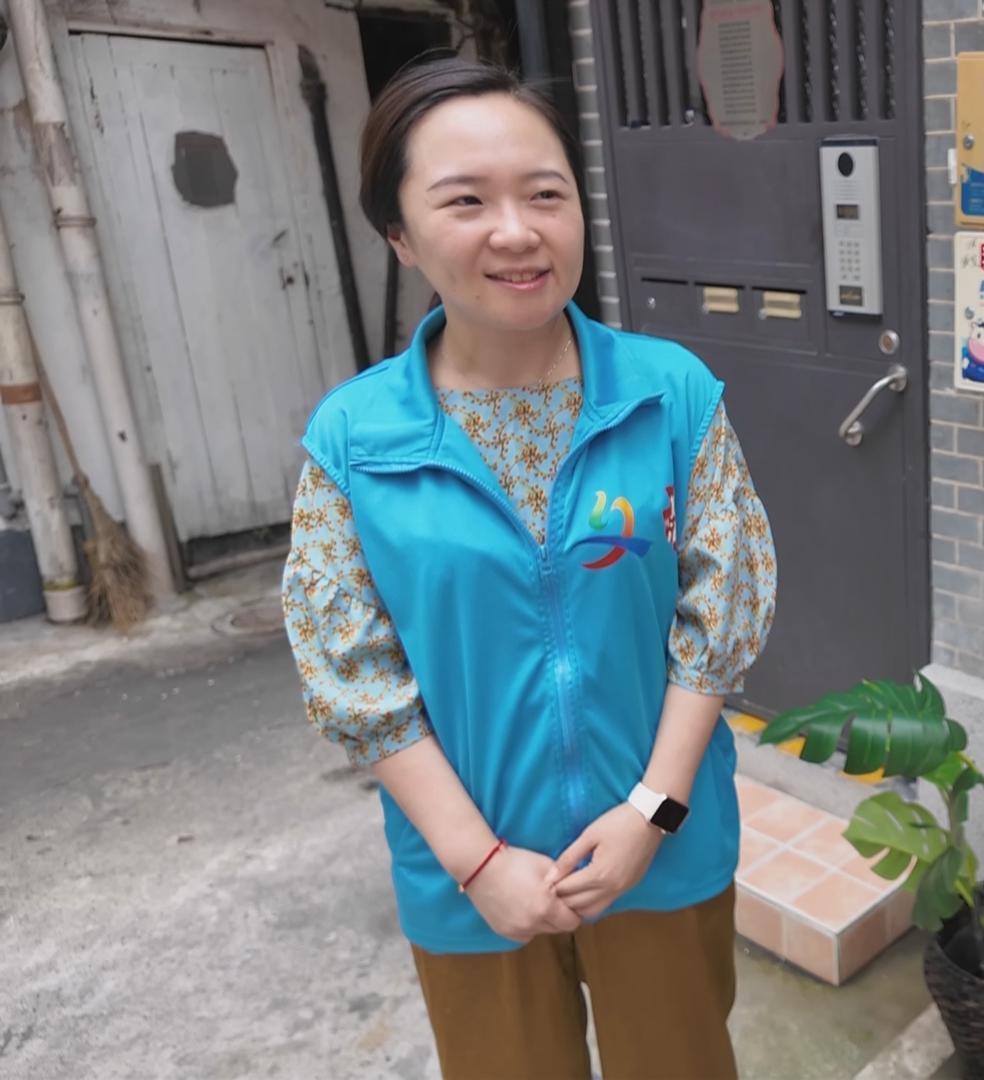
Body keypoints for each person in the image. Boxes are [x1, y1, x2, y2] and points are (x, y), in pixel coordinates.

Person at [280, 58, 774, 1080]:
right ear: (401, 234)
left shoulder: (669, 395)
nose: (517, 231)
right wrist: (481, 863)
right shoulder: (353, 439)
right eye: (466, 201)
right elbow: (354, 676)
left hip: (661, 851)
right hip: (469, 880)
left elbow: (719, 617)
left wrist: (651, 814)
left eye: (545, 194)